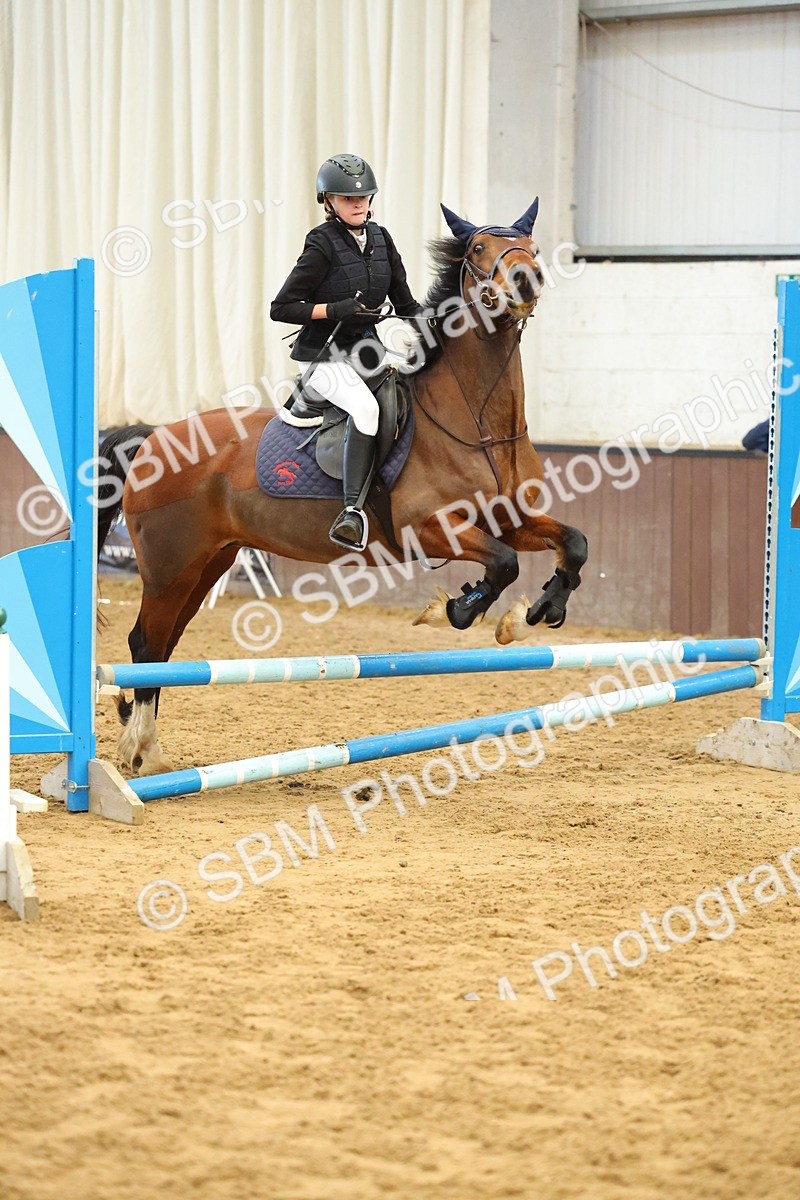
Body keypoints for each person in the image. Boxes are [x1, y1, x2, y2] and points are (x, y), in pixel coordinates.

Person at [270, 153, 422, 551]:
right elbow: (281, 308)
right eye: (346, 198)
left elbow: (406, 304)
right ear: (328, 201)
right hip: (322, 355)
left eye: (363, 197)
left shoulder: (382, 239)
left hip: (365, 350)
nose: (357, 204)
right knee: (367, 410)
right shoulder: (321, 244)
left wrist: (445, 323)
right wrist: (332, 310)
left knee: (405, 398)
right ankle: (352, 512)